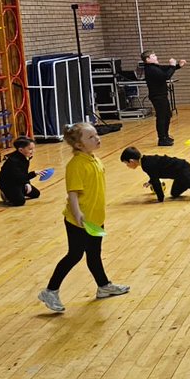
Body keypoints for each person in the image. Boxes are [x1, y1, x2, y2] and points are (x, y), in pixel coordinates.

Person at [37, 122, 129, 313]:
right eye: (91, 137)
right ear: (78, 145)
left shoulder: (94, 159)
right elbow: (72, 193)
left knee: (94, 254)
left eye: (96, 135)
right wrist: (77, 212)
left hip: (95, 218)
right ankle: (50, 290)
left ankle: (103, 286)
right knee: (75, 255)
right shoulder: (76, 165)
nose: (97, 138)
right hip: (79, 220)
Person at [120, 147, 190, 202]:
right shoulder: (146, 161)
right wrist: (150, 181)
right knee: (174, 194)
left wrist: (160, 199)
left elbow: (156, 181)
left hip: (183, 169)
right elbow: (155, 174)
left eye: (126, 164)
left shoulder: (146, 164)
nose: (127, 166)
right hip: (179, 173)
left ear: (131, 161)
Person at [141, 50, 185, 146]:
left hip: (162, 95)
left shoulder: (155, 67)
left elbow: (166, 69)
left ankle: (165, 135)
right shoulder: (151, 69)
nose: (156, 57)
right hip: (157, 96)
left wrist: (178, 66)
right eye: (153, 56)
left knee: (167, 115)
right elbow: (166, 75)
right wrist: (173, 66)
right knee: (161, 117)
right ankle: (162, 139)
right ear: (147, 59)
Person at [0, 136, 41, 206]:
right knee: (20, 202)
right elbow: (20, 177)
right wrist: (34, 173)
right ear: (21, 150)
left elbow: (23, 173)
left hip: (18, 180)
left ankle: (17, 192)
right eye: (30, 149)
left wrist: (27, 183)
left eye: (33, 148)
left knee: (36, 194)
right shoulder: (13, 161)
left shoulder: (26, 157)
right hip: (8, 183)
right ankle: (5, 193)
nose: (33, 151)